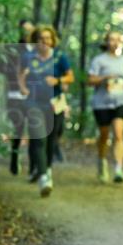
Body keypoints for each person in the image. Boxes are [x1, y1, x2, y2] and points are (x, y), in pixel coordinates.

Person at [19, 25, 74, 197]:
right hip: (34, 103)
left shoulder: (59, 57)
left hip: (54, 104)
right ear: (35, 41)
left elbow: (70, 77)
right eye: (41, 39)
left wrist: (57, 80)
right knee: (39, 138)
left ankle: (47, 170)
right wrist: (23, 89)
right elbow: (20, 74)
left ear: (53, 40)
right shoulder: (28, 57)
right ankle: (43, 177)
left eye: (48, 38)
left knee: (51, 140)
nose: (45, 42)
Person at [88, 30, 123, 183]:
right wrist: (104, 79)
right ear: (106, 42)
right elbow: (90, 80)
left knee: (119, 134)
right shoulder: (99, 60)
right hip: (101, 103)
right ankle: (101, 161)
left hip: (119, 101)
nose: (114, 43)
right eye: (111, 40)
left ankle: (118, 169)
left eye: (117, 40)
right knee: (104, 135)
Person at [0, 19, 34, 175]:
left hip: (34, 95)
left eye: (30, 30)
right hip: (14, 94)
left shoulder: (39, 50)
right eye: (24, 30)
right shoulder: (11, 49)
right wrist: (16, 74)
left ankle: (35, 166)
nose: (27, 33)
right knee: (18, 127)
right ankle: (14, 158)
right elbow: (0, 67)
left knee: (34, 129)